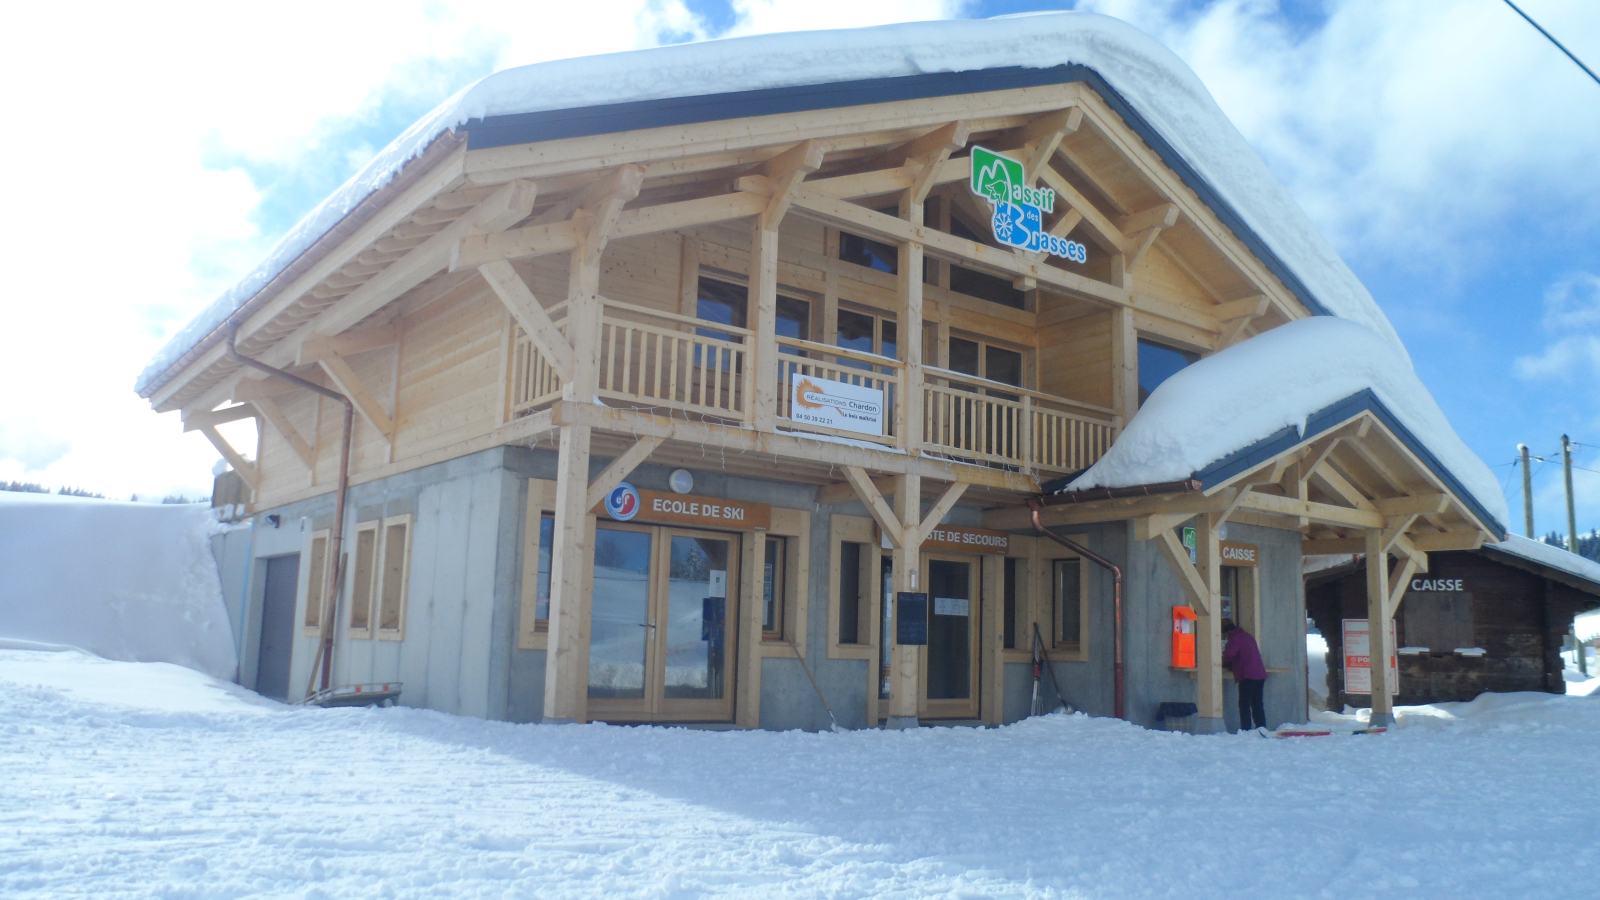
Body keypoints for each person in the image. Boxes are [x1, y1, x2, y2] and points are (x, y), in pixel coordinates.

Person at [1221, 620, 1268, 732]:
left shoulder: (1234, 639)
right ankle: (1261, 728)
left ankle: (1246, 729)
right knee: (1257, 703)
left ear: (1226, 632)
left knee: (1244, 704)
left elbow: (1228, 656)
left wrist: (1223, 659)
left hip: (1247, 675)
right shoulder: (1246, 636)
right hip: (1259, 674)